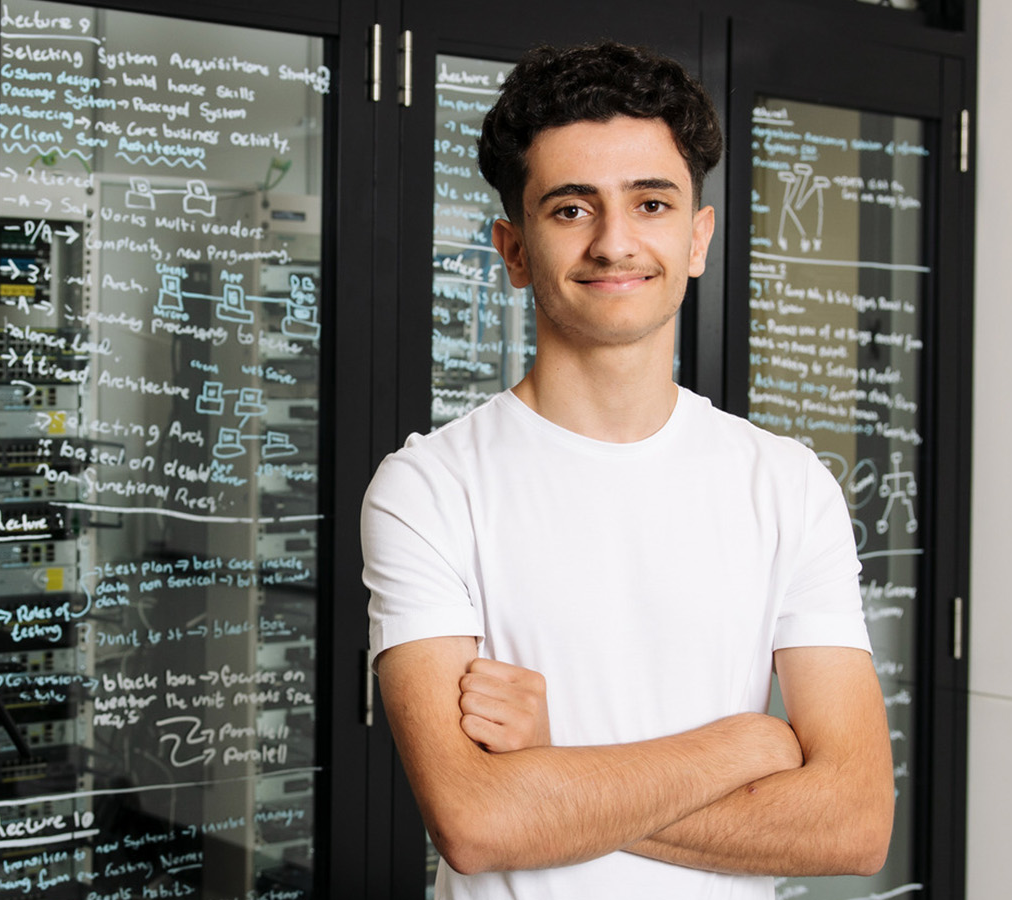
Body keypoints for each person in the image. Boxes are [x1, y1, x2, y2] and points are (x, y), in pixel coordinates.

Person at [361, 41, 894, 899]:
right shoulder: (429, 489)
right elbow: (477, 822)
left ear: (697, 238)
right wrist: (747, 748)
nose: (616, 242)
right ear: (514, 249)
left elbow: (855, 824)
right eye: (572, 210)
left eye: (651, 202)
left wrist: (550, 766)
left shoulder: (789, 486)